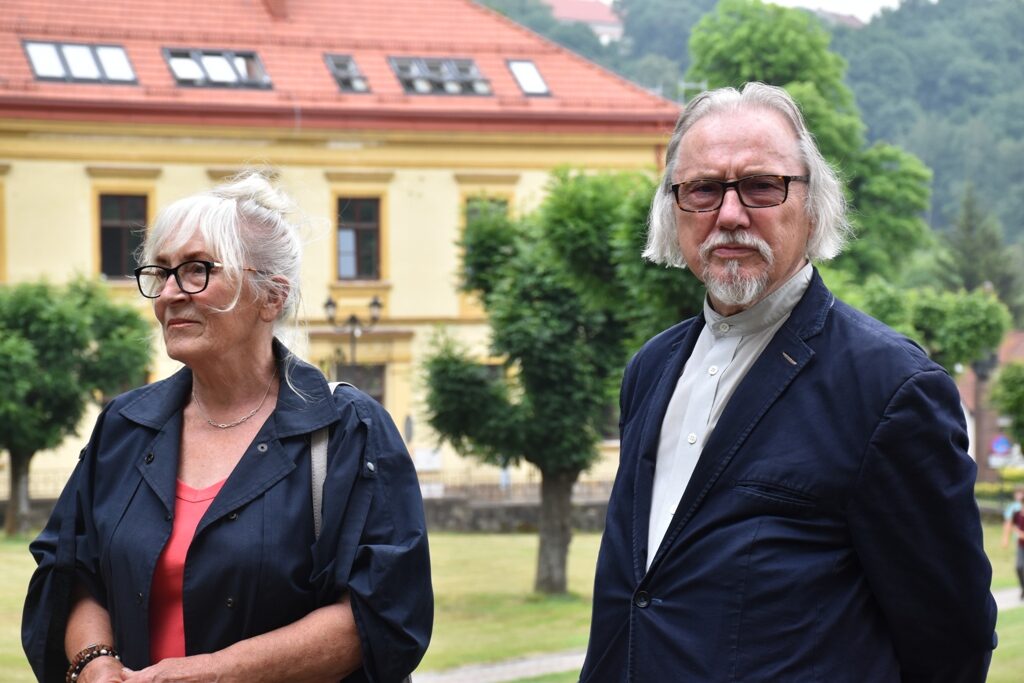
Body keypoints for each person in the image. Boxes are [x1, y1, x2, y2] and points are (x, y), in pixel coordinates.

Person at [580, 83, 997, 682]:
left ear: (812, 205)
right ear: (673, 210)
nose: (729, 215)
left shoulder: (890, 387)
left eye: (760, 186)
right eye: (702, 189)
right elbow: (639, 593)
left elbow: (952, 638)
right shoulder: (651, 368)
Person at [23, 173, 432, 683]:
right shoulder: (125, 426)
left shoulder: (350, 430)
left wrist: (211, 674)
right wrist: (94, 661)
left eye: (197, 269)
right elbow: (70, 570)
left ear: (271, 297)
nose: (170, 293)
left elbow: (380, 611)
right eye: (161, 272)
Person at [1002, 487, 1024, 599]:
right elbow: (1009, 524)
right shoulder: (1016, 512)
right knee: (1019, 567)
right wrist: (1005, 538)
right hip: (1021, 545)